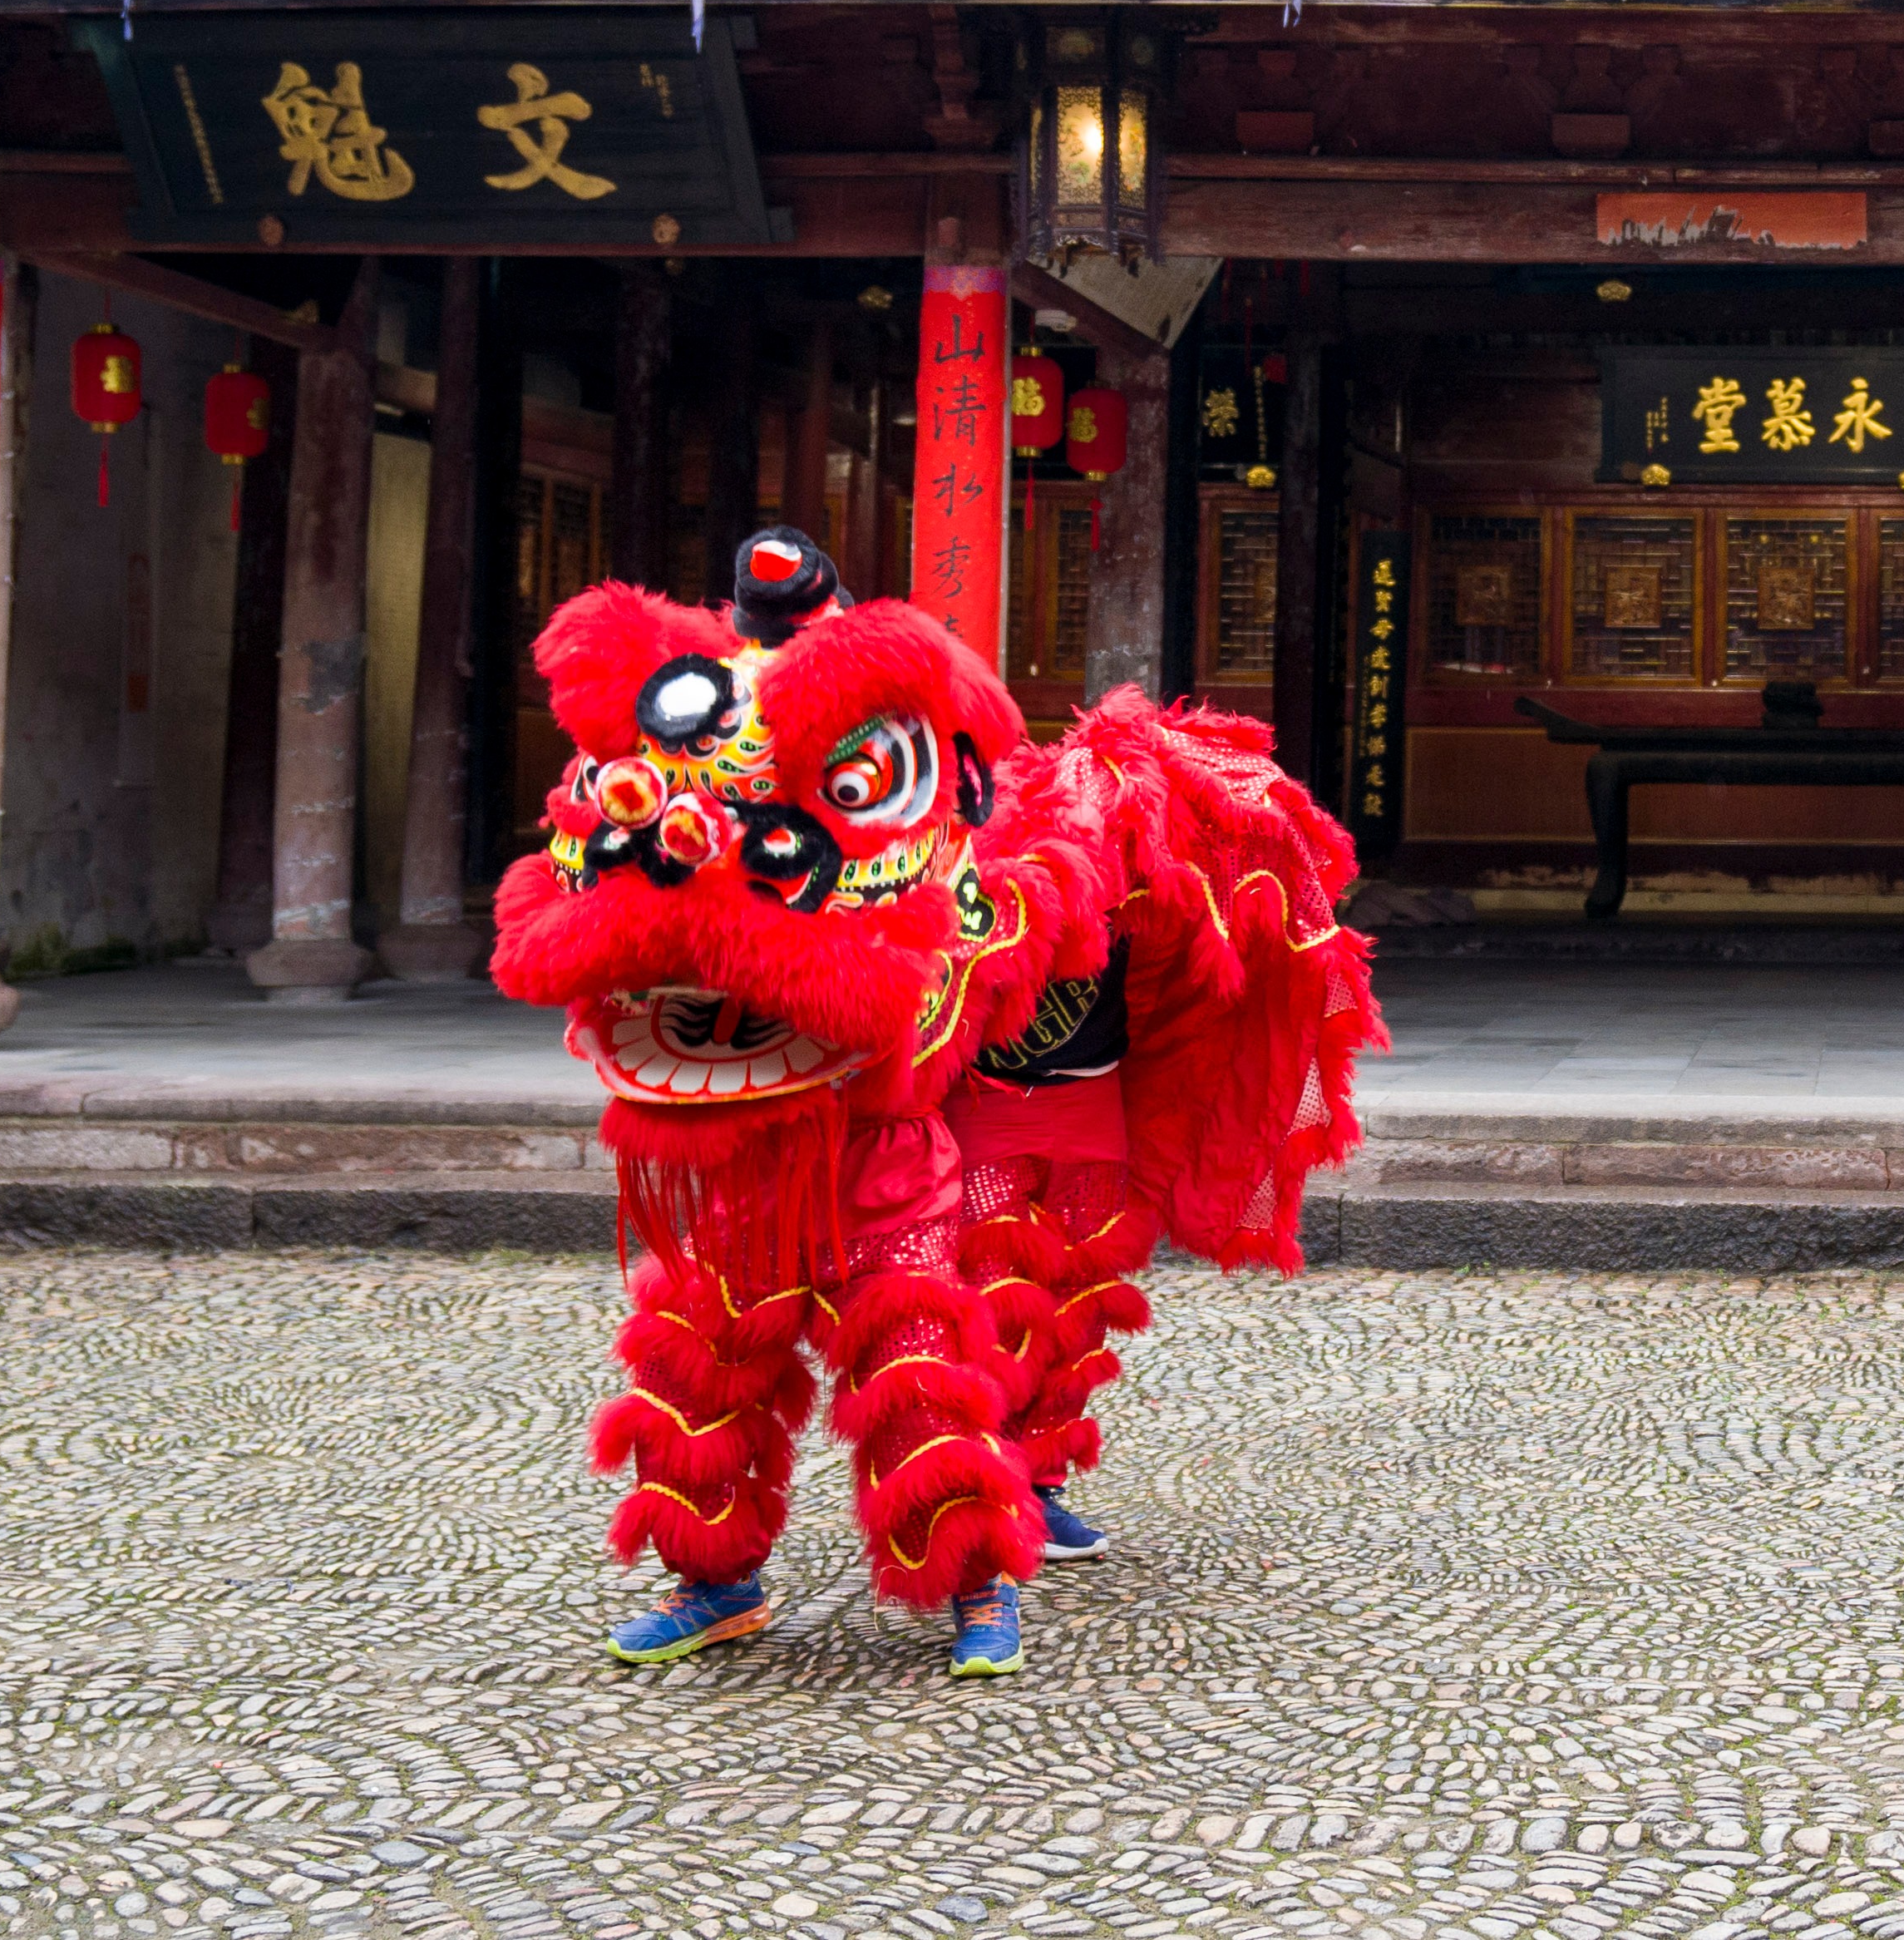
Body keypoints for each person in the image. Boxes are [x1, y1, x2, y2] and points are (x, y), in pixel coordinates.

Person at [495, 530, 1384, 1679]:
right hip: (743, 1173)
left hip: (884, 1169)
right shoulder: (686, 791)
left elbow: (1000, 936)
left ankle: (980, 1582)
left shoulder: (957, 869)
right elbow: (568, 941)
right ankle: (712, 1583)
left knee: (921, 1377)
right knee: (698, 1369)